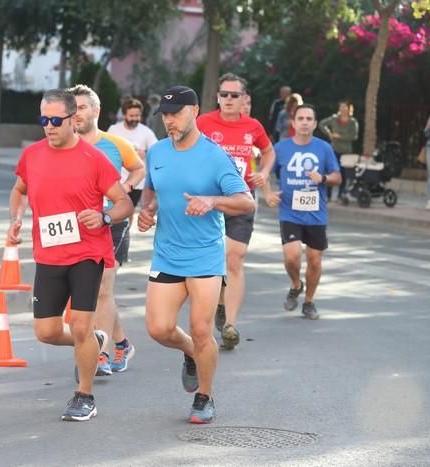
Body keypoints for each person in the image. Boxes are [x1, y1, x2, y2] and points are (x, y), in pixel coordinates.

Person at [7, 89, 133, 421]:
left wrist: (105, 216)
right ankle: (94, 340)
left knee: (79, 327)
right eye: (43, 120)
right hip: (49, 255)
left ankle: (84, 395)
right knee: (46, 332)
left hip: (87, 253)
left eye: (55, 120)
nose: (48, 126)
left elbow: (124, 203)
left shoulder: (94, 159)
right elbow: (18, 190)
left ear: (72, 119)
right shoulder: (32, 155)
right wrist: (16, 218)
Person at [138, 85, 254, 424]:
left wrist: (213, 201)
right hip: (167, 254)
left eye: (176, 114)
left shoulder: (215, 157)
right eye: (165, 116)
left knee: (202, 329)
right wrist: (147, 211)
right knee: (159, 329)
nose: (169, 121)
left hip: (204, 255)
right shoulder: (157, 152)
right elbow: (151, 190)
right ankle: (190, 352)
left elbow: (246, 201)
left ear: (195, 111)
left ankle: (205, 397)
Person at [68, 83, 145, 376]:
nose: (77, 113)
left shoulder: (114, 143)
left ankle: (98, 354)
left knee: (102, 289)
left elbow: (138, 169)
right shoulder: (64, 143)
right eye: (72, 108)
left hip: (112, 221)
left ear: (96, 111)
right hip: (76, 226)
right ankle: (122, 342)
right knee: (84, 291)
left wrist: (123, 190)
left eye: (83, 107)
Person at [196, 73, 275, 350]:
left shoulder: (253, 126)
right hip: (209, 200)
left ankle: (230, 324)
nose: (229, 99)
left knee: (234, 258)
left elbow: (268, 151)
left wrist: (263, 173)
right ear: (218, 97)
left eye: (234, 95)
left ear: (244, 99)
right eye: (224, 94)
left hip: (241, 200)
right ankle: (218, 301)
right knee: (215, 259)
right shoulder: (203, 123)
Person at [264, 104, 341, 320]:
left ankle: (309, 301)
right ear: (293, 122)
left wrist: (323, 178)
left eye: (309, 118)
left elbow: (337, 176)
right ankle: (296, 284)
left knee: (315, 260)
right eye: (301, 118)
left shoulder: (324, 148)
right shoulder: (280, 148)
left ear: (315, 124)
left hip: (316, 214)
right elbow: (264, 172)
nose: (305, 122)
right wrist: (268, 193)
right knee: (292, 258)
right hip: (290, 212)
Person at [107, 98, 158, 211]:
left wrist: (145, 153)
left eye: (137, 115)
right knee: (114, 209)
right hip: (116, 179)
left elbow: (157, 151)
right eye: (131, 115)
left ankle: (127, 229)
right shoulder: (114, 130)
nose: (135, 119)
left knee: (129, 210)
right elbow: (105, 150)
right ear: (125, 115)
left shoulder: (146, 132)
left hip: (136, 181)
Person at [320, 101, 359, 202]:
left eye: (345, 108)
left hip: (346, 151)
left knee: (343, 174)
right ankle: (327, 195)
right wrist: (329, 133)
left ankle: (340, 195)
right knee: (331, 171)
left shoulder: (353, 122)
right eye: (342, 107)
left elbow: (353, 136)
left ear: (349, 109)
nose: (343, 110)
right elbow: (321, 124)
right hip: (334, 149)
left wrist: (340, 137)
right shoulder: (334, 119)